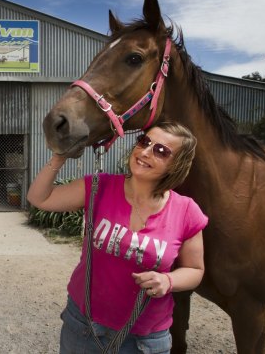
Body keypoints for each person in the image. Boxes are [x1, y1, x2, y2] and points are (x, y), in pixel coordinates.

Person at [27, 121, 208, 353]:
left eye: (161, 151)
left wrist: (168, 281)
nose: (144, 152)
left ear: (177, 164)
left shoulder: (186, 211)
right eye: (144, 142)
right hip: (84, 327)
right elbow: (39, 198)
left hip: (144, 340)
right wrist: (58, 158)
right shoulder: (98, 187)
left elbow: (195, 270)